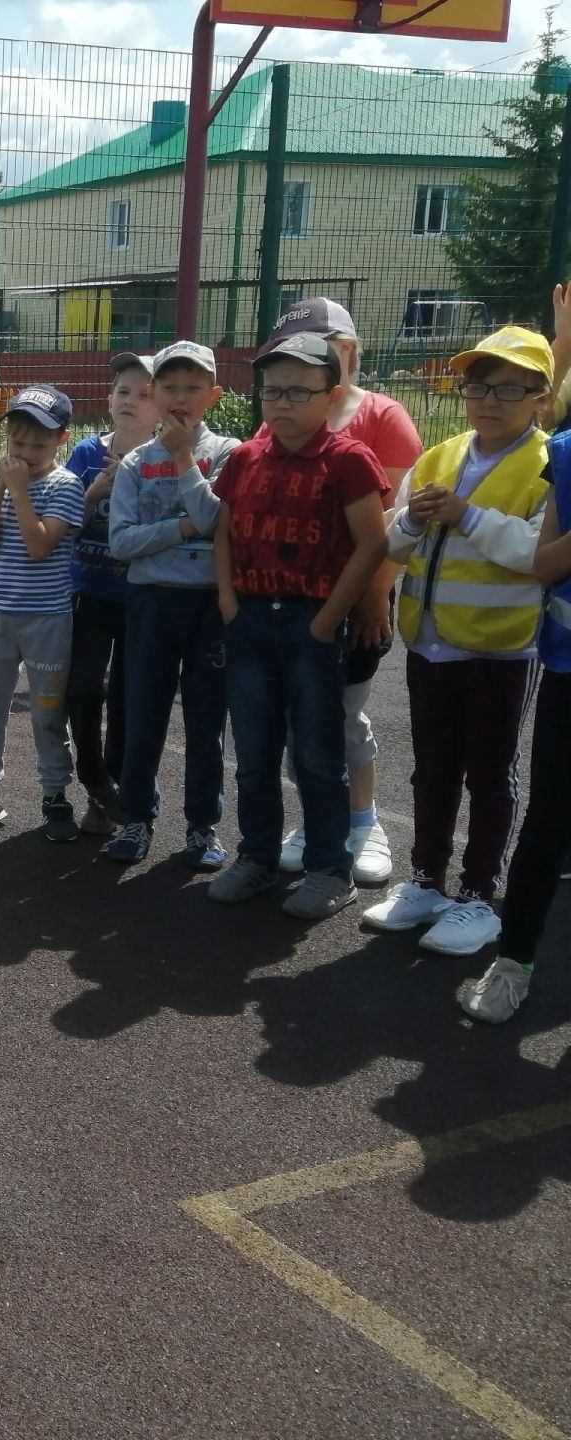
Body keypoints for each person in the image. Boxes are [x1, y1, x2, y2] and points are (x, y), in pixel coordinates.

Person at [361, 327, 553, 958]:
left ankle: (478, 896)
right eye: (476, 385)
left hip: (502, 650)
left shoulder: (550, 465)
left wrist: (467, 516)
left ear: (539, 398)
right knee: (432, 770)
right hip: (431, 644)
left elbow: (539, 556)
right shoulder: (441, 456)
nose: (487, 400)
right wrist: (413, 518)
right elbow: (390, 543)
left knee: (491, 773)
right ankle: (426, 882)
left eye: (507, 387)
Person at [210, 334, 390, 919]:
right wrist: (230, 604)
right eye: (272, 391)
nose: (281, 403)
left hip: (310, 625)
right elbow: (223, 531)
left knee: (316, 754)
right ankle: (258, 857)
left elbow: (373, 541)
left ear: (330, 395)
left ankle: (328, 868)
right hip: (252, 622)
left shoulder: (348, 459)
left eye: (297, 391)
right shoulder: (244, 459)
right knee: (255, 752)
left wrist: (328, 620)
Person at [256, 301, 424, 885]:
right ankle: (314, 820)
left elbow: (395, 524)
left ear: (347, 351)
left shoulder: (383, 416)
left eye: (319, 345)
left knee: (344, 716)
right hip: (290, 601)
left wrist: (375, 596)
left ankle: (363, 821)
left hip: (353, 602)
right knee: (296, 719)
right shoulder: (282, 413)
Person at [100, 341, 238, 870]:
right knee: (143, 713)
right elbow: (122, 543)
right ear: (154, 393)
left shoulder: (228, 453)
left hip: (208, 605)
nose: (181, 397)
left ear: (214, 394)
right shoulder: (135, 462)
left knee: (207, 719)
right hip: (152, 602)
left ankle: (203, 827)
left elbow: (215, 520)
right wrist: (179, 527)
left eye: (193, 387)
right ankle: (137, 818)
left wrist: (184, 461)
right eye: (170, 387)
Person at [455, 419, 571, 1021]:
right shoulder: (568, 454)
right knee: (549, 819)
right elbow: (543, 564)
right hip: (570, 675)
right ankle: (512, 965)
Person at [0, 383, 85, 840]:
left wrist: (20, 491)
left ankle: (55, 793)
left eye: (40, 443)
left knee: (48, 712)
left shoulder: (66, 485)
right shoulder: (2, 482)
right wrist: (0, 489)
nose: (27, 452)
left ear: (61, 440)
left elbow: (38, 546)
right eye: (18, 442)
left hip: (47, 618)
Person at [62, 351, 158, 837]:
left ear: (161, 405)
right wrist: (98, 489)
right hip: (90, 593)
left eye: (145, 394)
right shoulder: (85, 452)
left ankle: (112, 796)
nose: (131, 401)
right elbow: (64, 528)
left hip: (142, 598)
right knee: (81, 688)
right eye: (123, 391)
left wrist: (134, 485)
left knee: (128, 698)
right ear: (108, 399)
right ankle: (95, 780)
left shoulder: (166, 458)